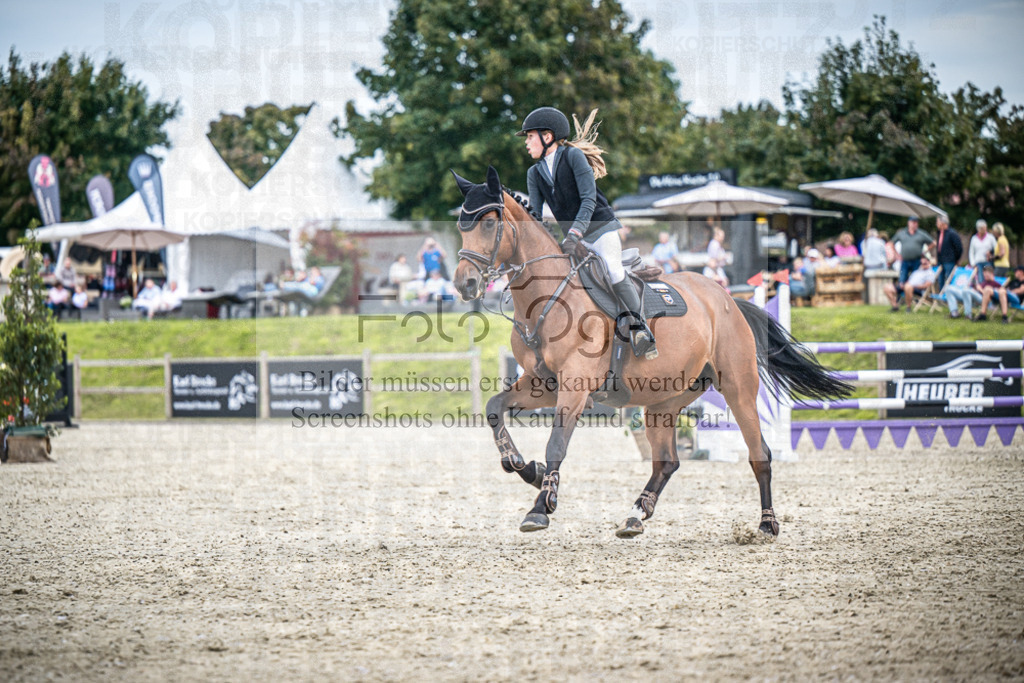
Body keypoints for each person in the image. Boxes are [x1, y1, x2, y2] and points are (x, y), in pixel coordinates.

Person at [519, 105, 656, 358]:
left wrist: (574, 234)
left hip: (600, 230)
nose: (526, 143)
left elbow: (588, 200)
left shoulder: (573, 157)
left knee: (613, 271)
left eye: (529, 136)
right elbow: (536, 216)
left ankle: (641, 329)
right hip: (574, 240)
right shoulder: (534, 173)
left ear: (547, 137)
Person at [891, 216, 934, 285]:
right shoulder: (902, 233)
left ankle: (913, 293)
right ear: (909, 223)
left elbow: (933, 242)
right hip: (905, 260)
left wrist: (925, 252)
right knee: (902, 279)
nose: (914, 224)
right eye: (913, 222)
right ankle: (901, 293)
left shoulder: (921, 233)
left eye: (916, 222)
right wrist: (896, 254)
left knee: (915, 280)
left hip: (916, 260)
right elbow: (891, 243)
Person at [933, 217, 964, 289]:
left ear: (943, 223)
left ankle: (949, 296)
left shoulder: (952, 233)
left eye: (937, 222)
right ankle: (941, 297)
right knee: (940, 280)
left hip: (949, 261)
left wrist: (955, 258)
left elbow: (959, 248)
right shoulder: (939, 233)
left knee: (949, 279)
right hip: (940, 261)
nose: (936, 224)